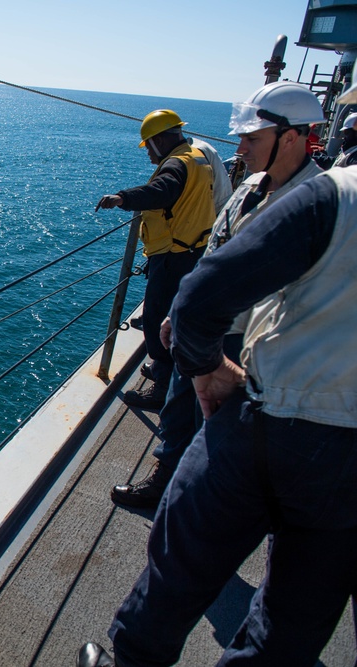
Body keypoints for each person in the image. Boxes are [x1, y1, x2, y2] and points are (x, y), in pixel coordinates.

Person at [79, 167, 357, 666]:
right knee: (296, 609)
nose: (243, 148)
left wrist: (209, 370)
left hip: (274, 414)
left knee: (183, 554)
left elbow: (203, 297)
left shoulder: (338, 194)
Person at [110, 81, 326, 509]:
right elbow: (215, 250)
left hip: (249, 342)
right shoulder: (251, 188)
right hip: (206, 327)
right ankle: (167, 479)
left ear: (291, 137)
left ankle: (202, 496)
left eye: (251, 138)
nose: (240, 148)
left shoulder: (319, 203)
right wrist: (184, 309)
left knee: (223, 426)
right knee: (179, 406)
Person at [96, 109, 215, 410]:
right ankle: (166, 373)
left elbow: (162, 191)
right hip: (192, 249)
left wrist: (123, 198)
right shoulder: (196, 156)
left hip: (175, 256)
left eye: (149, 144)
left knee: (157, 321)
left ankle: (162, 390)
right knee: (172, 318)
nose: (148, 152)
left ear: (162, 139)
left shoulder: (175, 163)